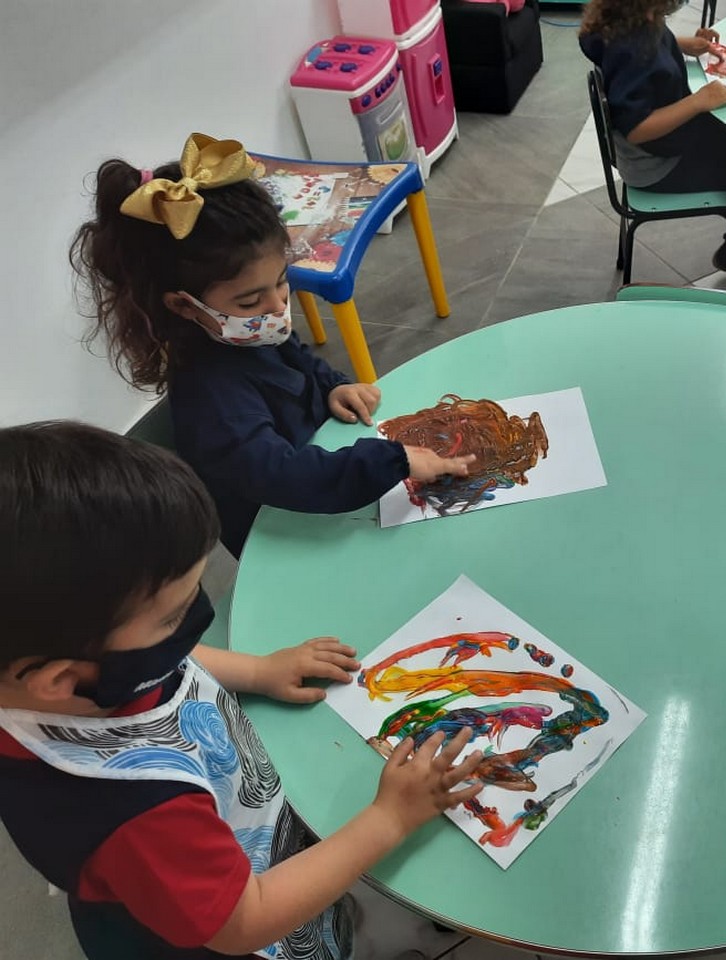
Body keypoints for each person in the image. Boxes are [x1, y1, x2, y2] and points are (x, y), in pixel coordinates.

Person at [0, 421, 484, 960]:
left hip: (237, 836)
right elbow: (245, 921)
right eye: (173, 618)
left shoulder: (86, 675)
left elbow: (169, 663)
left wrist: (256, 671)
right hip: (237, 917)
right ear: (60, 679)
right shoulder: (135, 810)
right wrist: (389, 819)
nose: (194, 622)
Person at [72, 134, 475, 558]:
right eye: (250, 301)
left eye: (282, 281)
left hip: (327, 479)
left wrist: (331, 385)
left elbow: (294, 354)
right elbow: (282, 476)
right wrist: (391, 462)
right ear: (184, 305)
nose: (278, 307)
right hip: (280, 532)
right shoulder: (211, 397)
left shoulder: (247, 329)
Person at [579, 0, 726, 281]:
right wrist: (697, 102)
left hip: (660, 147)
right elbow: (636, 128)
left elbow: (651, 44)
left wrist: (681, 45)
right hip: (657, 166)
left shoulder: (627, 17)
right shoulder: (633, 49)